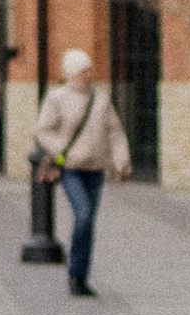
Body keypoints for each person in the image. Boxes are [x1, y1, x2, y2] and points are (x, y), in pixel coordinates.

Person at [30, 46, 131, 297]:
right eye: (83, 71)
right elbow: (43, 130)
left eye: (89, 70)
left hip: (95, 169)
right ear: (72, 73)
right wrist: (62, 150)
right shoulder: (57, 98)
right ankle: (75, 272)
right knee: (83, 215)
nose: (88, 75)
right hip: (71, 168)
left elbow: (115, 131)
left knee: (87, 223)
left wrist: (122, 160)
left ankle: (81, 276)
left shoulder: (101, 98)